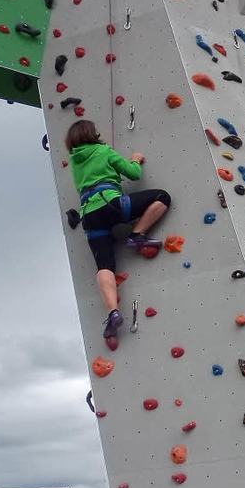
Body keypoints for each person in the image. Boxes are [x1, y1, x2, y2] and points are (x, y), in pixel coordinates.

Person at [65, 120, 171, 340]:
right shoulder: (103, 150)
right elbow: (133, 174)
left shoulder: (74, 161)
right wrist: (135, 160)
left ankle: (113, 312)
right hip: (111, 205)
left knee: (104, 266)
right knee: (162, 197)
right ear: (92, 133)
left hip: (90, 216)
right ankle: (137, 235)